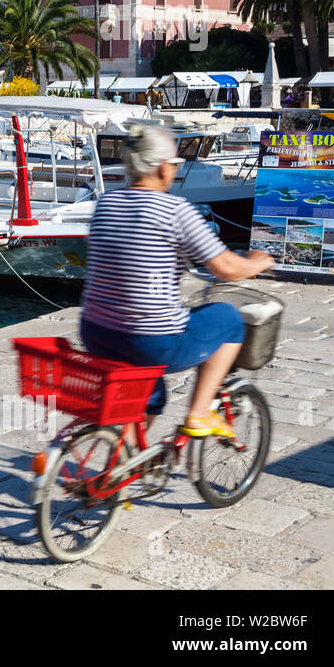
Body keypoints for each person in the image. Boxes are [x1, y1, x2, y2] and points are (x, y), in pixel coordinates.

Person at [79, 125, 275, 438]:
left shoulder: (107, 203)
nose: (174, 171)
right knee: (228, 319)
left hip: (97, 331)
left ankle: (124, 464)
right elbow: (224, 267)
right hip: (151, 340)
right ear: (161, 168)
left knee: (150, 396)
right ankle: (198, 414)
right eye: (174, 165)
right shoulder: (174, 210)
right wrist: (255, 263)